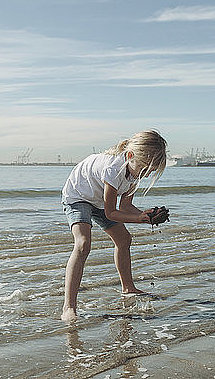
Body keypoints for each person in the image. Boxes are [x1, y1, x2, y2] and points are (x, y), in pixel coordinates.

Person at [60, 130, 168, 322]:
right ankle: (68, 307)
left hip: (99, 201)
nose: (145, 174)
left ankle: (128, 288)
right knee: (83, 243)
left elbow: (125, 207)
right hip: (78, 197)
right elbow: (111, 213)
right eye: (144, 169)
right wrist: (140, 219)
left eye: (149, 171)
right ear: (130, 156)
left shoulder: (135, 172)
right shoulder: (113, 169)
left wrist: (147, 215)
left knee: (124, 239)